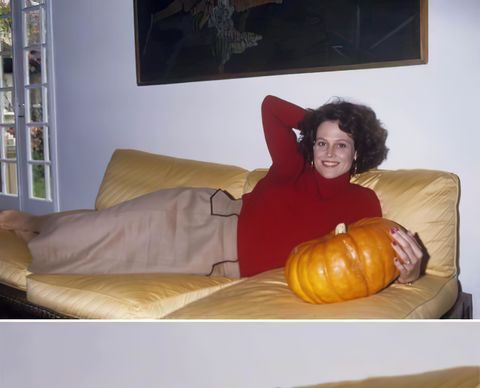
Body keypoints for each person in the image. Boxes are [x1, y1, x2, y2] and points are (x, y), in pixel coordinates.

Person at [0, 96, 422, 283]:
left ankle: (39, 231)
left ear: (357, 151)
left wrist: (412, 272)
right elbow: (271, 107)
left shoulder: (364, 202)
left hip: (216, 257)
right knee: (108, 222)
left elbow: (375, 260)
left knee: (103, 252)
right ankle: (37, 221)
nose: (330, 152)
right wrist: (324, 119)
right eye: (322, 142)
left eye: (342, 144)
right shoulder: (292, 167)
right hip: (202, 214)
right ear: (311, 145)